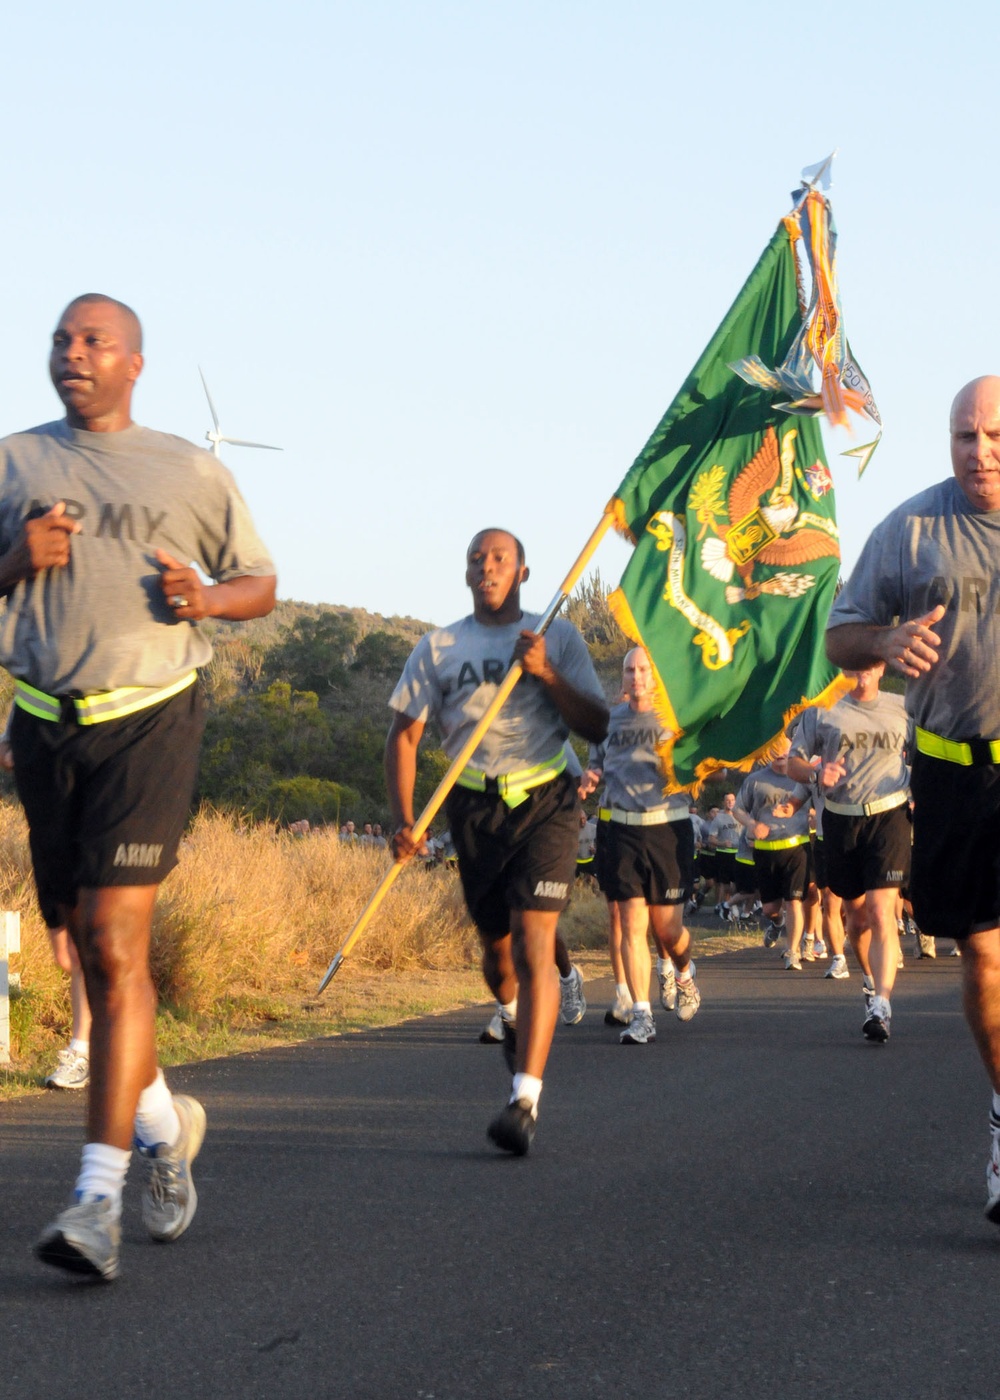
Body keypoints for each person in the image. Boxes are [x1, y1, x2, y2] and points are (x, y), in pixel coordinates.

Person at [0, 294, 276, 1280]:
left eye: (93, 342)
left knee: (118, 941)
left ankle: (93, 1201)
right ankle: (164, 1130)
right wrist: (13, 559)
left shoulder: (191, 468)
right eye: (61, 340)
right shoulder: (15, 460)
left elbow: (260, 584)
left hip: (152, 713)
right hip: (42, 724)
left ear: (135, 363)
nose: (73, 354)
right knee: (85, 953)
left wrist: (206, 597)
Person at [826, 374, 1000, 1220]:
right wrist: (884, 638)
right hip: (952, 769)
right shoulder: (912, 528)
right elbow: (839, 633)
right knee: (987, 958)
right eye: (967, 437)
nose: (981, 452)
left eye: (994, 437)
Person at [385, 528, 608, 1154]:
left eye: (500, 559)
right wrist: (406, 820)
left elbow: (597, 723)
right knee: (499, 951)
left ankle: (524, 1099)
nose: (488, 568)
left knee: (537, 938)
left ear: (523, 573)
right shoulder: (438, 647)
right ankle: (513, 1016)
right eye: (477, 560)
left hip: (546, 797)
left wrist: (547, 674)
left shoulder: (555, 636)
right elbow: (403, 736)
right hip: (473, 804)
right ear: (465, 576)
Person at [787, 665, 910, 1039]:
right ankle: (871, 982)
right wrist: (814, 774)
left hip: (890, 814)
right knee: (856, 920)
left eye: (870, 662)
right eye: (854, 662)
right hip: (840, 821)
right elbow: (794, 761)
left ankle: (882, 1005)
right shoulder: (822, 710)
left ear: (882, 666)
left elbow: (927, 755)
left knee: (880, 910)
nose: (862, 670)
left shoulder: (902, 707)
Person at [587, 646, 700, 1044]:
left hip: (667, 829)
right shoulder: (608, 720)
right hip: (621, 830)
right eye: (629, 669)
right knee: (632, 923)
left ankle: (685, 972)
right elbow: (596, 763)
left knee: (667, 929)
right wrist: (589, 776)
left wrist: (703, 769)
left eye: (642, 669)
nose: (635, 676)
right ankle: (642, 1014)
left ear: (655, 676)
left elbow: (710, 770)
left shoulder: (678, 717)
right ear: (622, 677)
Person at [734, 743, 812, 968]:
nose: (781, 756)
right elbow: (738, 809)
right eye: (776, 751)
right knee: (770, 909)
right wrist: (752, 823)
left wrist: (815, 815)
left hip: (796, 846)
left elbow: (819, 799)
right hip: (765, 850)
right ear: (768, 753)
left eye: (786, 752)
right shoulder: (755, 780)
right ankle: (777, 924)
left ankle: (792, 951)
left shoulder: (801, 777)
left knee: (794, 900)